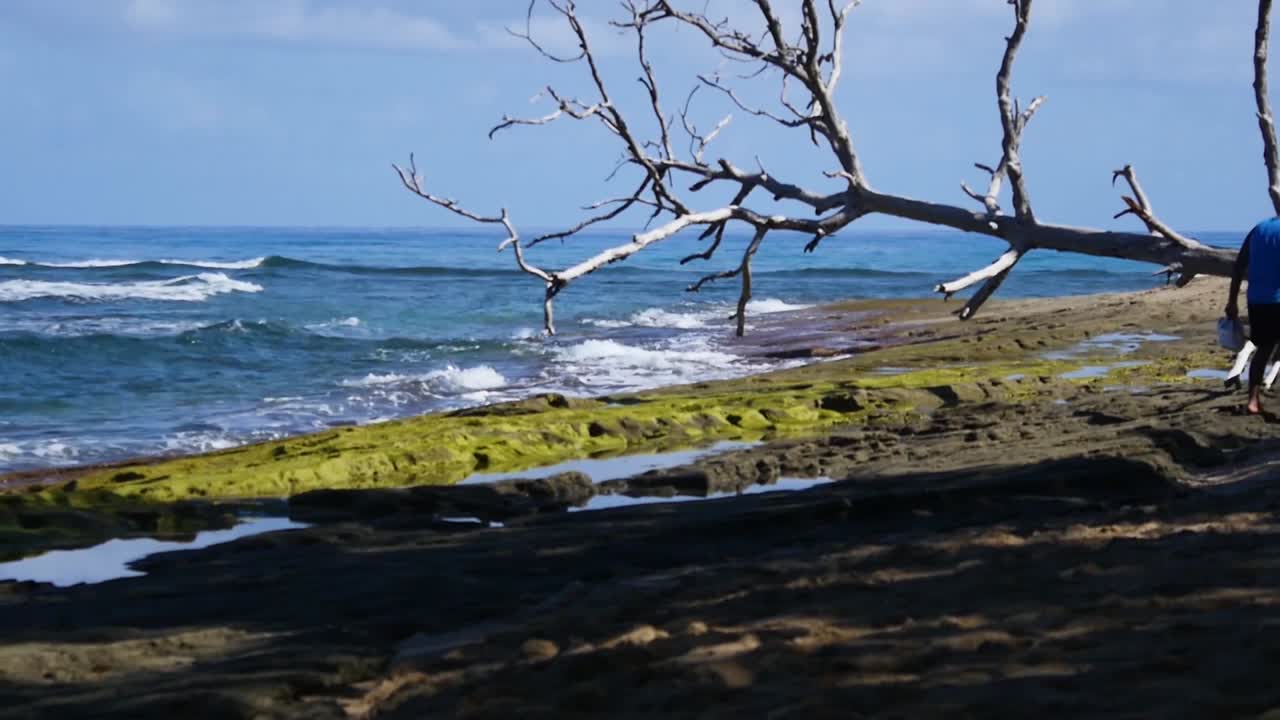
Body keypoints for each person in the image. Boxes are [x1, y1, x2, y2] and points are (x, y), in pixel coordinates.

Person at [1226, 216, 1280, 414]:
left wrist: (1232, 301)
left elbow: (1239, 266)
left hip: (1258, 300)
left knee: (1263, 350)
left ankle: (1253, 401)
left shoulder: (1259, 229)